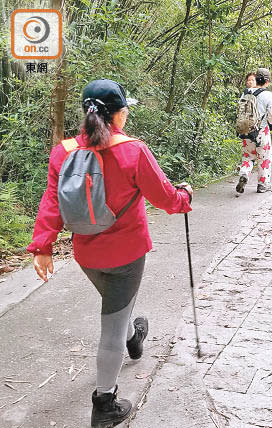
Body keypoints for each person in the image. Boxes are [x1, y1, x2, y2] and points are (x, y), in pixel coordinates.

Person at [27, 79, 193, 428]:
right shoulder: (132, 150)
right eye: (125, 108)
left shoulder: (65, 150)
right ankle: (105, 404)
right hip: (127, 253)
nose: (127, 113)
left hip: (86, 254)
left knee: (117, 306)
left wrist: (43, 246)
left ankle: (135, 335)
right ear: (117, 115)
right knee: (112, 326)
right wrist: (184, 198)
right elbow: (164, 198)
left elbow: (52, 201)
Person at [236, 68, 272, 194]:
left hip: (246, 131)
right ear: (267, 81)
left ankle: (244, 173)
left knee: (248, 156)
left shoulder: (245, 92)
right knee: (264, 158)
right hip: (261, 131)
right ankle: (262, 184)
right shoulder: (268, 94)